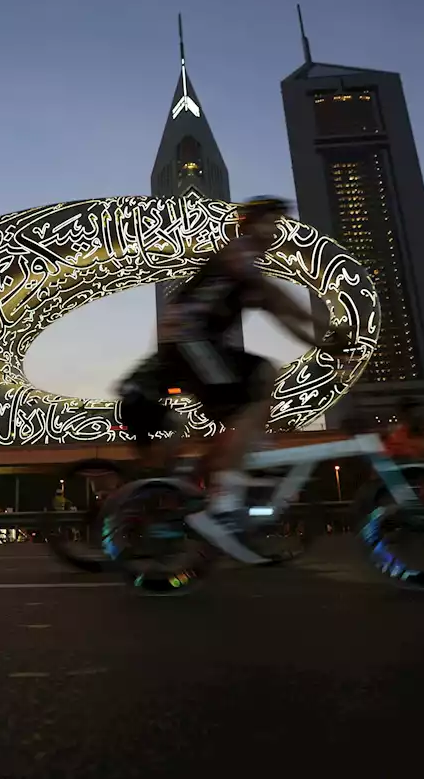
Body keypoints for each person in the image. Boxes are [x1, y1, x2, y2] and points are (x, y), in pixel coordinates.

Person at [117, 196, 351, 563]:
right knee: (259, 377)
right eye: (269, 222)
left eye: (278, 224)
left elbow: (282, 314)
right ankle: (224, 502)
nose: (275, 230)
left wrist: (321, 342)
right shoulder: (236, 253)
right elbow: (279, 298)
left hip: (193, 346)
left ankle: (206, 484)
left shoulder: (247, 275)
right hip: (188, 341)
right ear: (248, 223)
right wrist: (324, 331)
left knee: (246, 403)